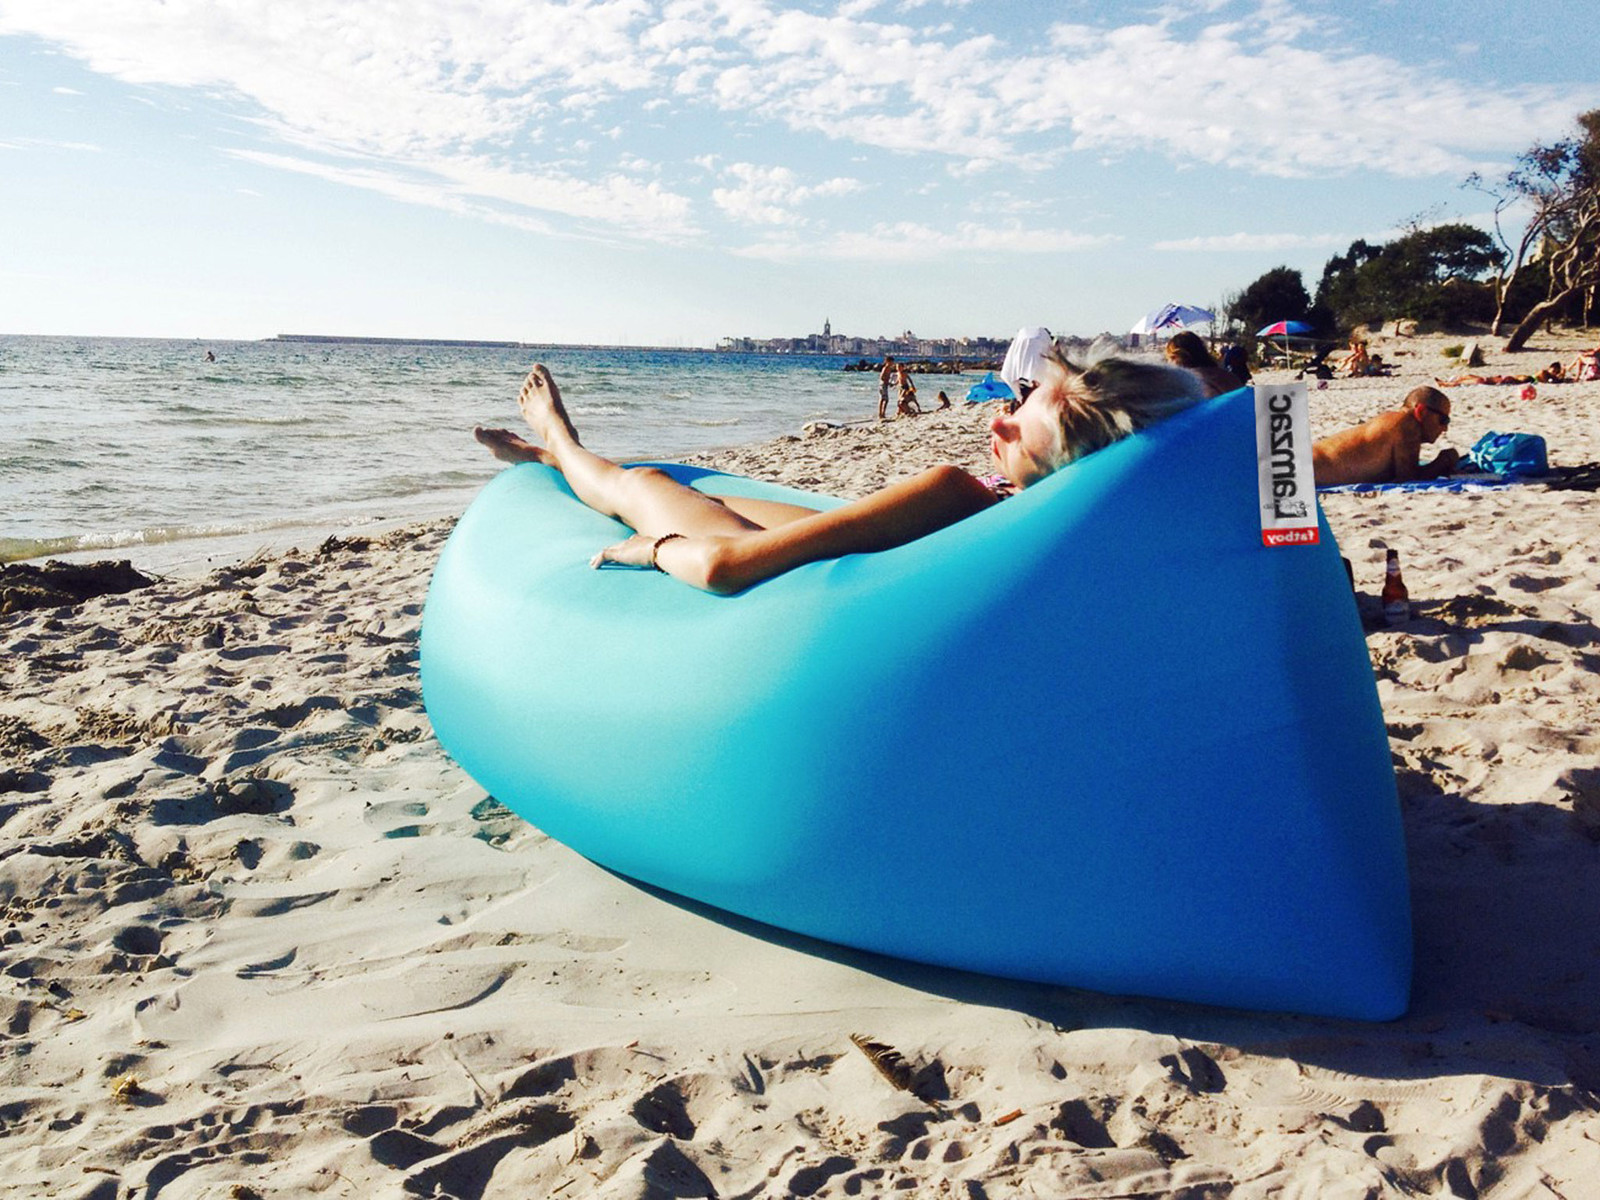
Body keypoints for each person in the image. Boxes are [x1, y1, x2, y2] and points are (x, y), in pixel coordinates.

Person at [472, 342, 1206, 595]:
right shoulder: (1124, 538)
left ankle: (554, 440)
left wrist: (655, 548)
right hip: (875, 545)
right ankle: (554, 450)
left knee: (645, 489)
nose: (994, 418)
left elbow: (726, 567)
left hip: (838, 568)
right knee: (712, 490)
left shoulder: (956, 495)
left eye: (1016, 428)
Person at [1311, 386, 1460, 486]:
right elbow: (1408, 479)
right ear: (1421, 412)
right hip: (1306, 471)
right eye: (1443, 420)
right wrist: (1444, 460)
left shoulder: (1391, 420)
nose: (1444, 428)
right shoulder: (1407, 425)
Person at [1163, 331, 1244, 398]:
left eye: (1170, 358)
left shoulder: (1190, 383)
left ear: (1178, 356)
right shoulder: (1227, 376)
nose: (1169, 363)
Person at [877, 355, 896, 421]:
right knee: (883, 399)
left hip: (885, 384)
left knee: (884, 399)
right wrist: (887, 382)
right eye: (891, 362)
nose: (892, 364)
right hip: (882, 385)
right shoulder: (885, 368)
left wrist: (890, 382)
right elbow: (881, 377)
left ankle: (882, 413)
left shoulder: (889, 368)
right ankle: (881, 413)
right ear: (887, 361)